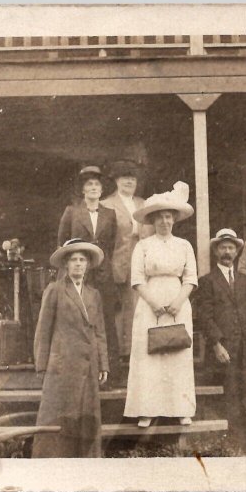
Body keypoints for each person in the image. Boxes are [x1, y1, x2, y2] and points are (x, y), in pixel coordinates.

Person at [123, 181, 198, 428]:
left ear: (174, 220)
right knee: (149, 356)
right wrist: (154, 302)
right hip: (149, 301)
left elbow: (190, 278)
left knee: (177, 354)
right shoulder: (143, 246)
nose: (165, 222)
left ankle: (181, 409)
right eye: (160, 218)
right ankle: (147, 410)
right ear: (153, 220)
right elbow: (136, 280)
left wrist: (178, 301)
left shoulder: (184, 245)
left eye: (169, 217)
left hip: (178, 300)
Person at [32, 238, 109, 458]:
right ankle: (50, 462)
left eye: (82, 260)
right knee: (57, 417)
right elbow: (43, 330)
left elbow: (100, 331)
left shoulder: (93, 294)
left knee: (86, 417)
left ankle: (86, 461)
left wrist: (103, 363)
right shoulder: (55, 290)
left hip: (88, 365)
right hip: (62, 366)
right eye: (73, 260)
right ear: (66, 264)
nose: (78, 264)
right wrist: (42, 365)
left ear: (87, 265)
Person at [197, 228, 246, 456]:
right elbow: (205, 316)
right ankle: (236, 443)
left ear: (237, 251)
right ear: (216, 251)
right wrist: (216, 344)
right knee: (232, 394)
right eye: (223, 247)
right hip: (225, 349)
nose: (227, 251)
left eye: (231, 247)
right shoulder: (207, 281)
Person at [57, 165, 120, 385]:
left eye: (97, 185)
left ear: (102, 190)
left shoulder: (110, 215)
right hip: (78, 276)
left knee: (105, 325)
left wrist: (102, 267)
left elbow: (110, 247)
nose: (93, 188)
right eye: (89, 184)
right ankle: (78, 377)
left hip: (103, 278)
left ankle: (109, 376)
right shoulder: (72, 212)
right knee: (78, 322)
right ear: (83, 190)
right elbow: (63, 245)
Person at [100, 160, 154, 365]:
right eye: (124, 178)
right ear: (116, 181)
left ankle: (140, 350)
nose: (129, 182)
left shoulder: (145, 204)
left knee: (141, 306)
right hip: (119, 263)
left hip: (143, 263)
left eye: (133, 178)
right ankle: (122, 353)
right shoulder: (107, 204)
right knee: (121, 309)